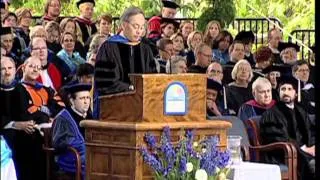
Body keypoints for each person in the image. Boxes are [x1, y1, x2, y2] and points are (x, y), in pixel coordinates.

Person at [13, 56, 65, 180]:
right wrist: (45, 112)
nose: (35, 69)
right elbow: (24, 113)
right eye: (31, 66)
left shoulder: (46, 89)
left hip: (49, 136)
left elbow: (60, 106)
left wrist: (42, 110)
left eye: (38, 67)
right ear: (24, 68)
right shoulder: (17, 89)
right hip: (29, 138)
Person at [260, 75, 315, 180]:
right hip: (284, 155)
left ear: (296, 93)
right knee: (312, 165)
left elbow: (311, 132)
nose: (286, 92)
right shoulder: (271, 114)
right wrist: (304, 150)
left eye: (290, 89)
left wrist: (312, 147)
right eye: (283, 89)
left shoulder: (301, 111)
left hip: (302, 152)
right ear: (278, 92)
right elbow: (277, 139)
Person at [94, 6, 157, 95]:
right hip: (116, 104)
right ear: (124, 25)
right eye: (136, 26)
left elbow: (152, 78)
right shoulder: (108, 47)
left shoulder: (145, 49)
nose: (139, 31)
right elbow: (104, 82)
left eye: (142, 27)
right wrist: (130, 88)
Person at [52, 83, 92, 179]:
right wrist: (81, 144)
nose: (86, 102)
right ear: (72, 101)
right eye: (82, 98)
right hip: (71, 160)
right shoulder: (63, 118)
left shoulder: (90, 116)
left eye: (88, 98)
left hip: (88, 156)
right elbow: (58, 143)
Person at [0, 57, 18, 149]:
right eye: (3, 69)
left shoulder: (22, 88)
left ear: (15, 70)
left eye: (10, 68)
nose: (7, 72)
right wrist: (14, 124)